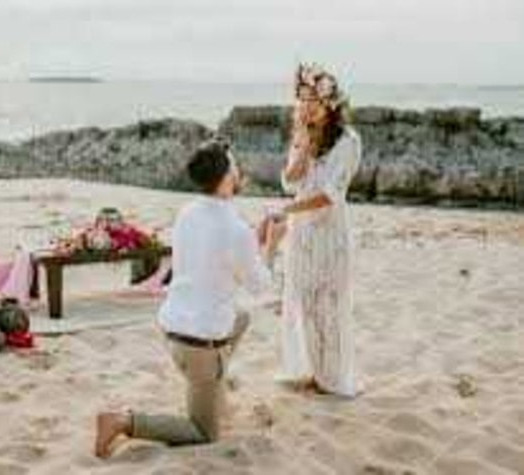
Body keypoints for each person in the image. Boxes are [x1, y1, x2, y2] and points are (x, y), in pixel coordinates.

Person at [94, 140, 285, 458]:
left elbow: (214, 256)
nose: (239, 170)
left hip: (173, 331)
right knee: (203, 432)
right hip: (198, 346)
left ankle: (214, 386)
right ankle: (123, 422)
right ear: (226, 177)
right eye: (234, 165)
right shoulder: (234, 229)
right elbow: (260, 286)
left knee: (241, 318)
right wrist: (272, 246)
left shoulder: (188, 213)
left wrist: (256, 239)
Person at [275, 64, 362, 397]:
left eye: (313, 99)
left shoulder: (349, 141)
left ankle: (333, 376)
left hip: (328, 231)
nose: (307, 106)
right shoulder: (304, 133)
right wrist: (303, 143)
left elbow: (329, 195)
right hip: (302, 233)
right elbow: (290, 181)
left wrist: (287, 210)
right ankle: (313, 370)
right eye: (302, 99)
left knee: (330, 303)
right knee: (304, 301)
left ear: (331, 102)